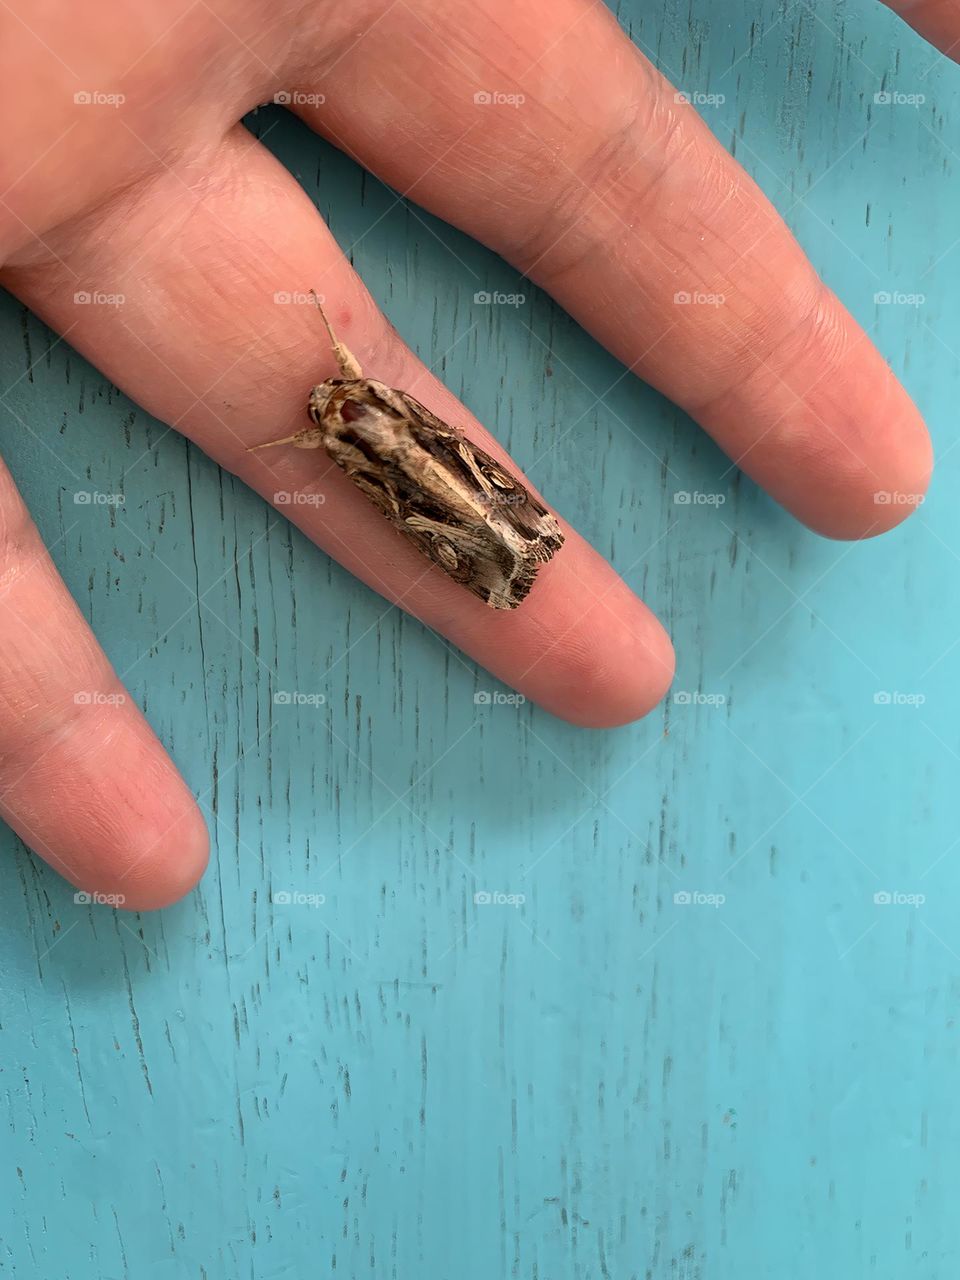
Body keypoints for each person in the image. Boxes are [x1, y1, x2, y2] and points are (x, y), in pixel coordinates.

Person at [0, 0, 948, 908]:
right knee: (430, 494)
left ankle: (507, 550)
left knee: (431, 499)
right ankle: (508, 549)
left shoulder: (343, 413)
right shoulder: (347, 409)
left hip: (398, 460)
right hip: (400, 457)